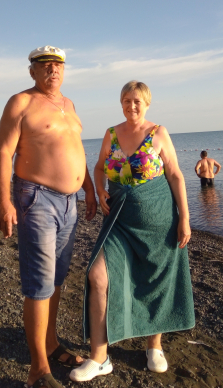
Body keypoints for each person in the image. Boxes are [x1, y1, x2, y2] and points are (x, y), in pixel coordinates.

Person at [70, 81, 195, 382]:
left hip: (159, 223)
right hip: (120, 222)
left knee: (154, 280)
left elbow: (175, 175)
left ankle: (154, 346)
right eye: (126, 100)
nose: (132, 106)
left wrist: (185, 218)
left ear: (147, 103)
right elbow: (99, 167)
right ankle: (99, 357)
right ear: (121, 104)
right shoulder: (111, 134)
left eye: (137, 101)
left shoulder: (159, 133)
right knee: (97, 275)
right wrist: (100, 190)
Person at [0, 45, 97, 388]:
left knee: (57, 280)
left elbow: (76, 151)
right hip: (36, 199)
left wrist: (89, 189)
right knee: (39, 283)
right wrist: (3, 202)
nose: (53, 70)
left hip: (70, 203)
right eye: (45, 65)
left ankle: (50, 344)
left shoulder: (69, 105)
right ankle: (38, 369)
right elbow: (4, 153)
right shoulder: (21, 102)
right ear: (32, 71)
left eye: (58, 65)